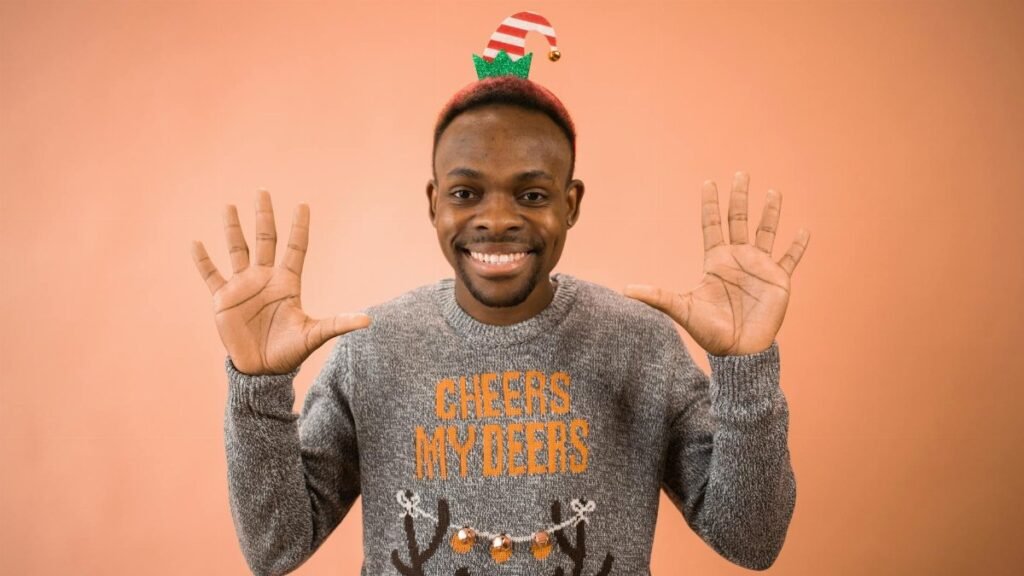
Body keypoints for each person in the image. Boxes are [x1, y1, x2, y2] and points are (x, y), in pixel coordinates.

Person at [191, 61, 808, 576]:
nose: (496, 218)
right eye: (466, 193)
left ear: (571, 205)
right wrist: (259, 389)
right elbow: (275, 548)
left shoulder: (639, 345)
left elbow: (750, 538)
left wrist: (744, 367)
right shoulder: (372, 350)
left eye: (532, 195)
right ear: (434, 203)